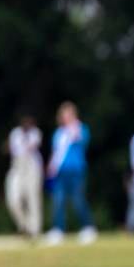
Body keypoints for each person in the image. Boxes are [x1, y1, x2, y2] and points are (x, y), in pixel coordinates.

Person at [46, 101, 94, 245]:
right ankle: (58, 229)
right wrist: (50, 167)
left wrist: (74, 128)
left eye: (68, 114)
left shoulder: (80, 128)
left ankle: (88, 228)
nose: (65, 117)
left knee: (78, 200)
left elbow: (83, 141)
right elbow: (55, 153)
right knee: (58, 201)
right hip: (60, 172)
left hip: (76, 171)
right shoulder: (59, 133)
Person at [5, 115, 45, 240]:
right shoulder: (15, 133)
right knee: (13, 199)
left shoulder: (35, 133)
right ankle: (24, 225)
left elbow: (32, 147)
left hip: (32, 167)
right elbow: (11, 149)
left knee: (33, 198)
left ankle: (35, 230)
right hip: (17, 166)